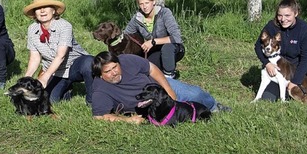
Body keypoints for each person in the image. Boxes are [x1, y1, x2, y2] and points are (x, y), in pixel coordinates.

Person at [90, 52, 228, 123]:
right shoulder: (100, 90)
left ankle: (214, 107)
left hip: (157, 86)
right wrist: (128, 120)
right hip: (150, 105)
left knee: (196, 94)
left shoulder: (127, 59)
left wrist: (169, 91)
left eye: (115, 67)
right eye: (108, 71)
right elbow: (100, 117)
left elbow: (152, 69)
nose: (114, 72)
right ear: (101, 75)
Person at [254, 0, 307, 101]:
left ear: (296, 13)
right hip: (278, 67)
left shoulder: (304, 29)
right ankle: (291, 92)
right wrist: (266, 63)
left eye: (287, 16)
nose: (283, 19)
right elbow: (258, 46)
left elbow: (306, 58)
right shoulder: (272, 26)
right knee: (267, 99)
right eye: (279, 15)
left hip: (297, 66)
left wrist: (295, 81)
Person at [23, 0, 94, 104]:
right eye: (38, 8)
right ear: (34, 13)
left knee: (89, 62)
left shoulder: (64, 26)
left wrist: (45, 77)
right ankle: (67, 90)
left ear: (53, 10)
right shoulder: (32, 29)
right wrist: (26, 79)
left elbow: (60, 55)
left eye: (46, 7)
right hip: (55, 71)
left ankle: (92, 100)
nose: (42, 11)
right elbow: (34, 58)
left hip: (73, 65)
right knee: (50, 100)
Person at [124, 0, 185, 78]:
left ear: (153, 1)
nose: (144, 7)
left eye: (147, 3)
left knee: (167, 49)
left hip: (173, 48)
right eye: (141, 4)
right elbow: (126, 34)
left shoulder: (164, 13)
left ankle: (170, 77)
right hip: (155, 50)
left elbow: (176, 37)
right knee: (147, 70)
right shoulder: (137, 18)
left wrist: (153, 42)